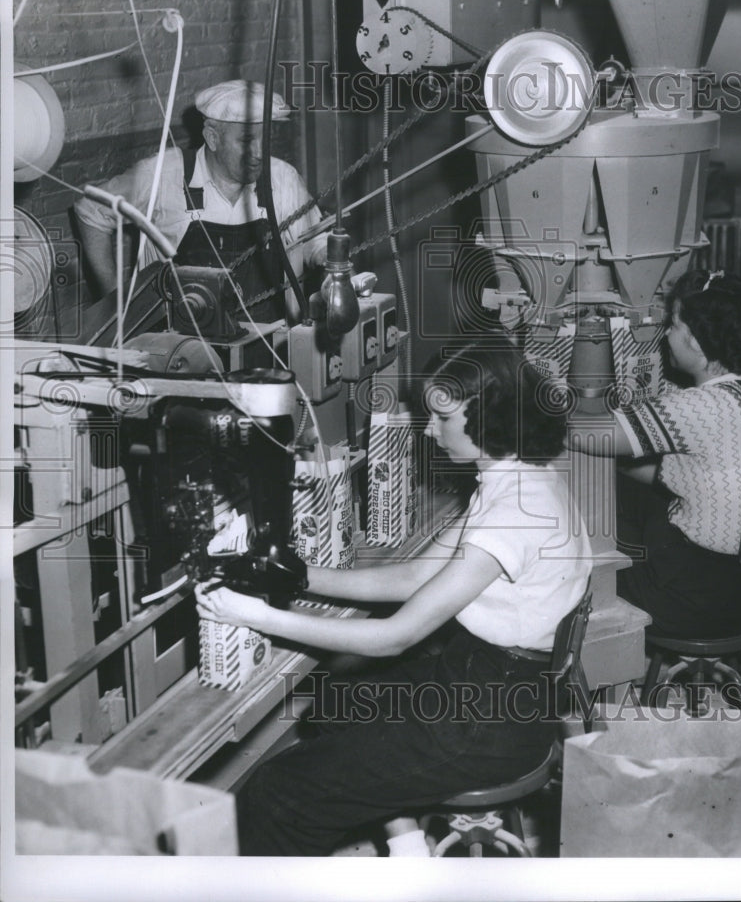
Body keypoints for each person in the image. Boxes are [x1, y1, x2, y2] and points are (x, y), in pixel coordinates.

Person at [195, 337, 592, 856]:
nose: (430, 430)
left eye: (443, 419)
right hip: (496, 686)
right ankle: (408, 848)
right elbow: (412, 577)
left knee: (279, 793)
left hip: (489, 718)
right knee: (337, 701)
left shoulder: (515, 510)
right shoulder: (518, 480)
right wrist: (295, 576)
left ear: (487, 417)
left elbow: (392, 638)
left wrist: (250, 613)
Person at [574, 269, 741, 638]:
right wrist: (618, 464)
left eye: (673, 325)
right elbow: (678, 473)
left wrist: (530, 411)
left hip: (692, 602)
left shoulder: (701, 405)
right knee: (630, 496)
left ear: (698, 342)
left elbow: (589, 436)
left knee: (576, 566)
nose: (666, 335)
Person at [73, 79, 327, 323]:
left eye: (266, 139)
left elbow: (314, 240)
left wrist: (328, 259)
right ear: (212, 138)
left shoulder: (282, 177)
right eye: (247, 140)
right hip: (178, 351)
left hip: (266, 348)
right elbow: (91, 210)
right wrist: (116, 303)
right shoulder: (163, 176)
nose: (261, 153)